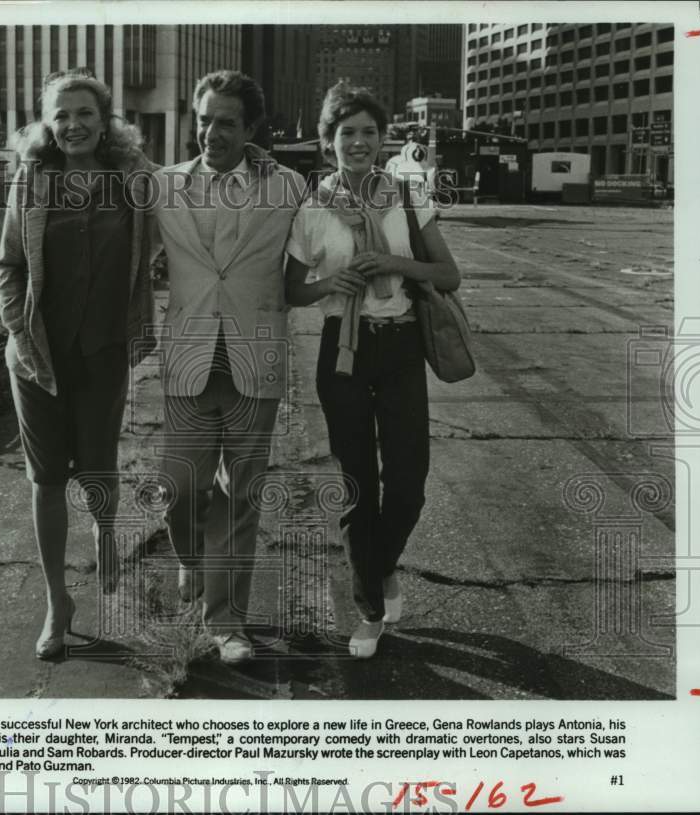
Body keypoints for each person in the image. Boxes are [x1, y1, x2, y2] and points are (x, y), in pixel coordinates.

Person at [284, 82, 460, 659]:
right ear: (327, 141)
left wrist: (389, 261)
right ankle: (368, 609)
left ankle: (380, 569)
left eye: (368, 132)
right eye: (346, 133)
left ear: (383, 139)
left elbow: (448, 274)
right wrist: (328, 283)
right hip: (344, 351)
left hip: (402, 343)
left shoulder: (406, 197)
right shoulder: (312, 208)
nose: (358, 142)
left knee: (408, 481)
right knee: (358, 484)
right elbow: (292, 289)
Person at [0, 69, 158, 660]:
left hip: (106, 348)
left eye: (84, 113)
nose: (72, 125)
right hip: (39, 357)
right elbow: (8, 264)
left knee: (98, 468)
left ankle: (107, 535)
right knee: (46, 481)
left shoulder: (133, 180)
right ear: (46, 123)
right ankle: (57, 601)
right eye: (60, 115)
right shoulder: (32, 181)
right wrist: (18, 329)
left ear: (105, 120)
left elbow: (188, 213)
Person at [152, 70, 305, 665]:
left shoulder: (289, 186)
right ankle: (192, 558)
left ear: (251, 129)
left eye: (226, 123)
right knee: (180, 486)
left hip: (254, 358)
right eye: (204, 119)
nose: (211, 133)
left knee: (240, 494)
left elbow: (322, 244)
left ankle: (228, 623)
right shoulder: (163, 185)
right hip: (189, 355)